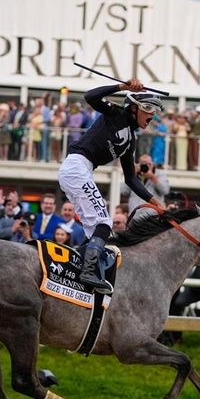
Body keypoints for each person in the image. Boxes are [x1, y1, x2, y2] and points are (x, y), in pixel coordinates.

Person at [58, 79, 165, 294]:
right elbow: (90, 96)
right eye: (149, 110)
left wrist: (156, 203)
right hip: (77, 166)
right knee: (104, 222)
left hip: (80, 171)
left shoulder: (131, 141)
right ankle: (87, 273)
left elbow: (131, 179)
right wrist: (122, 87)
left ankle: (74, 270)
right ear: (135, 107)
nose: (152, 116)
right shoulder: (116, 114)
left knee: (94, 230)